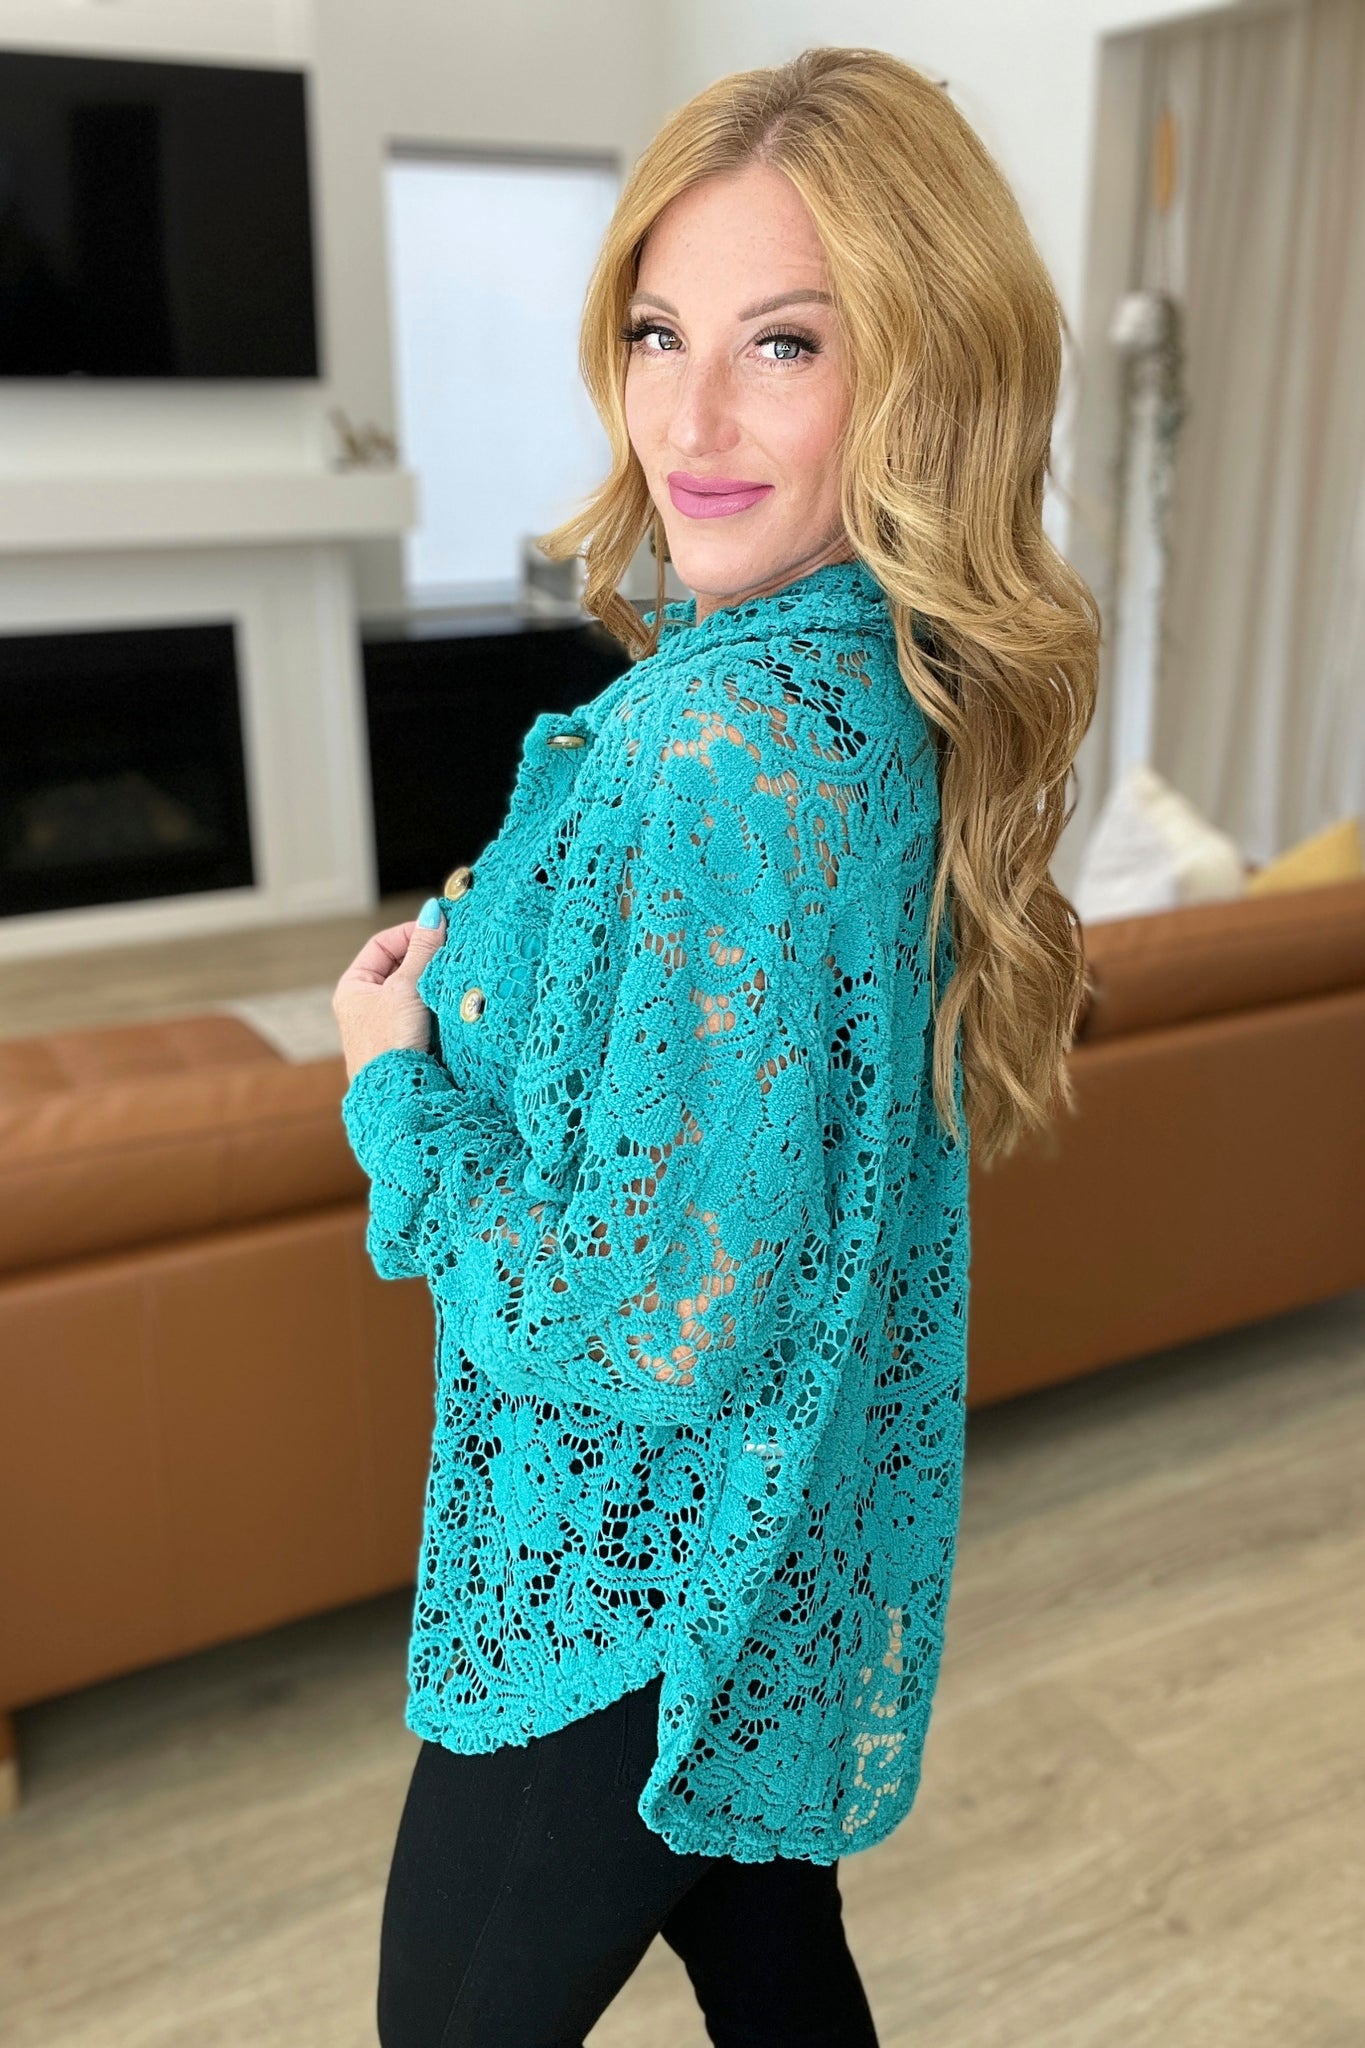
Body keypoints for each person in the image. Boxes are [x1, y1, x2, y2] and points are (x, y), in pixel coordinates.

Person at [333, 44, 1099, 2048]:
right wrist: (508, 961)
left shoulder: (720, 740)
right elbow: (742, 1095)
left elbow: (662, 1315)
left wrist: (395, 1089)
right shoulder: (870, 687)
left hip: (627, 1572)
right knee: (774, 1971)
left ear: (918, 371)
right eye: (658, 332)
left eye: (782, 344)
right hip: (771, 1534)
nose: (687, 418)